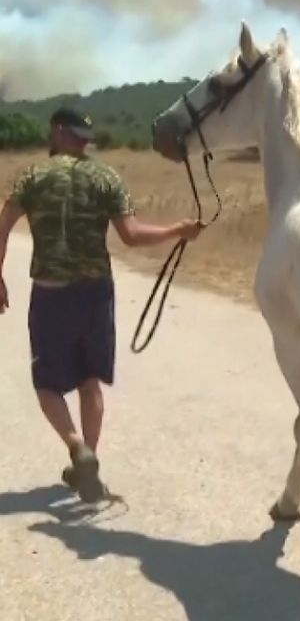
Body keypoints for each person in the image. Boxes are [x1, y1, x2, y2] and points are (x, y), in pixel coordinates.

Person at [0, 107, 202, 502]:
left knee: (46, 385)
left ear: (57, 132)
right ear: (82, 139)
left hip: (51, 293)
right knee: (89, 383)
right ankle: (88, 468)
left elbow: (3, 226)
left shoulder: (33, 177)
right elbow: (131, 235)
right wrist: (178, 229)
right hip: (94, 293)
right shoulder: (106, 177)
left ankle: (77, 447)